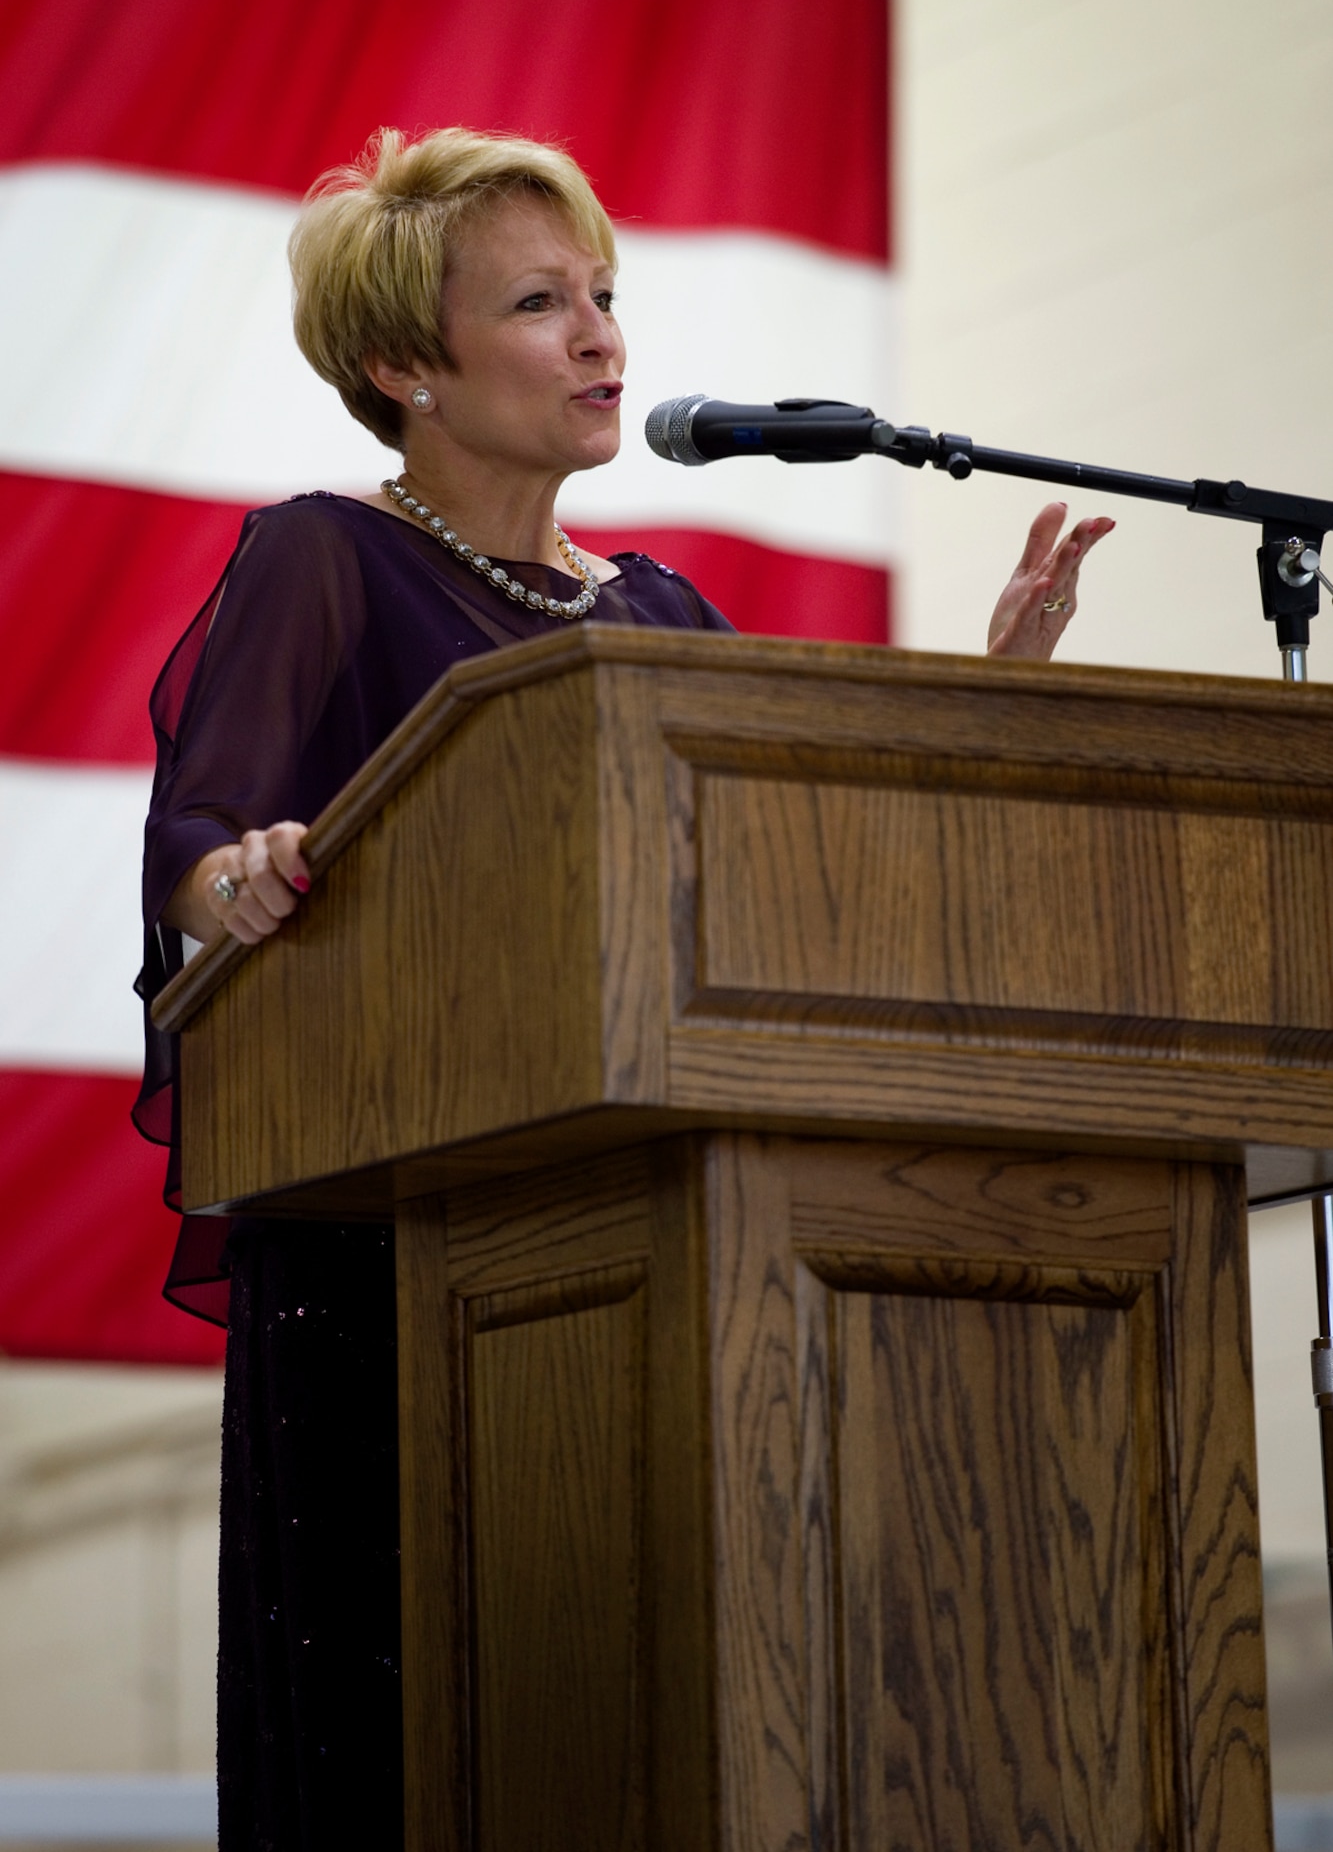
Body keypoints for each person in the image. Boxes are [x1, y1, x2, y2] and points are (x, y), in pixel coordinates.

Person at [134, 125, 1111, 1850]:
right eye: (538, 302)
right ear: (400, 366)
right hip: (408, 1245)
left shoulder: (657, 605)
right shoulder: (325, 560)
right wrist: (246, 879)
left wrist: (988, 705)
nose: (603, 339)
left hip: (654, 1245)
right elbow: (200, 844)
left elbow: (798, 867)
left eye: (603, 294)